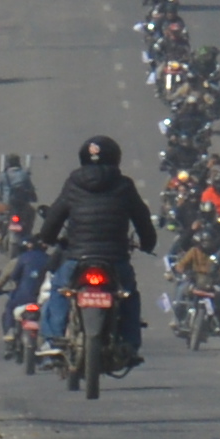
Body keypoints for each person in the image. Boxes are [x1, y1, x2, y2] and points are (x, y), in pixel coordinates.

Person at [42, 134, 158, 373]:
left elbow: (54, 216)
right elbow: (142, 219)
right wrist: (148, 243)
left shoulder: (73, 183)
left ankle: (53, 340)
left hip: (77, 257)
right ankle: (130, 343)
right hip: (115, 259)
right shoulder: (124, 185)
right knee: (128, 296)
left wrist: (47, 239)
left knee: (59, 290)